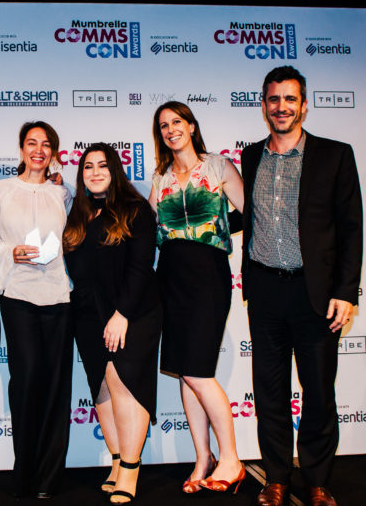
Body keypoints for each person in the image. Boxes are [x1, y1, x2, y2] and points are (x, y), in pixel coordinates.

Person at [242, 66, 362, 506]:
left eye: (290, 99)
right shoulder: (250, 157)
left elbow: (351, 228)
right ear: (263, 106)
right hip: (265, 292)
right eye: (274, 99)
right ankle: (276, 478)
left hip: (317, 295)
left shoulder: (335, 155)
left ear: (304, 105)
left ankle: (316, 480)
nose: (282, 107)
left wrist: (346, 291)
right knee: (269, 391)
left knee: (319, 391)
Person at [148, 101, 246, 495]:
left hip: (207, 275)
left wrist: (216, 226)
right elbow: (149, 227)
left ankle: (232, 459)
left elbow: (250, 211)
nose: (171, 129)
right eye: (163, 125)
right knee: (184, 369)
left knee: (198, 371)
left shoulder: (218, 166)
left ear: (191, 125)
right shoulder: (160, 178)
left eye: (177, 121)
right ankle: (203, 458)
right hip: (169, 276)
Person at [63, 143, 161, 504]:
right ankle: (118, 462)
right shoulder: (78, 213)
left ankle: (131, 470)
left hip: (131, 311)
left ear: (115, 170)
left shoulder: (135, 209)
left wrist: (122, 314)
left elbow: (141, 267)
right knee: (102, 386)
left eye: (102, 165)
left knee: (125, 383)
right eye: (88, 167)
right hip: (88, 312)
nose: (95, 172)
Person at [0, 121, 72, 499]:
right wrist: (11, 251)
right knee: (27, 379)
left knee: (56, 385)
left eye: (46, 144)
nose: (38, 150)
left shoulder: (63, 193)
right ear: (21, 149)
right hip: (18, 294)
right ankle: (25, 472)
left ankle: (50, 478)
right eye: (32, 143)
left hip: (59, 296)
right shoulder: (1, 190)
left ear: (53, 151)